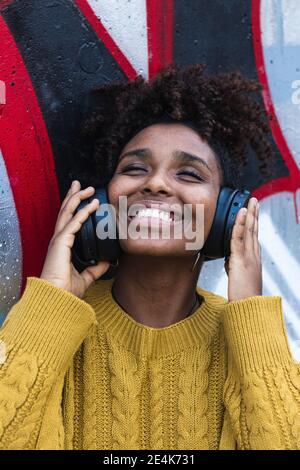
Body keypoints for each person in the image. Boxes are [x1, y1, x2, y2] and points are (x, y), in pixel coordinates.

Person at [0, 64, 299, 450]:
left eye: (189, 174)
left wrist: (252, 316)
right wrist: (51, 302)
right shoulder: (51, 331)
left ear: (227, 214)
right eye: (135, 168)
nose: (155, 183)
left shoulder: (249, 344)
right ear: (103, 203)